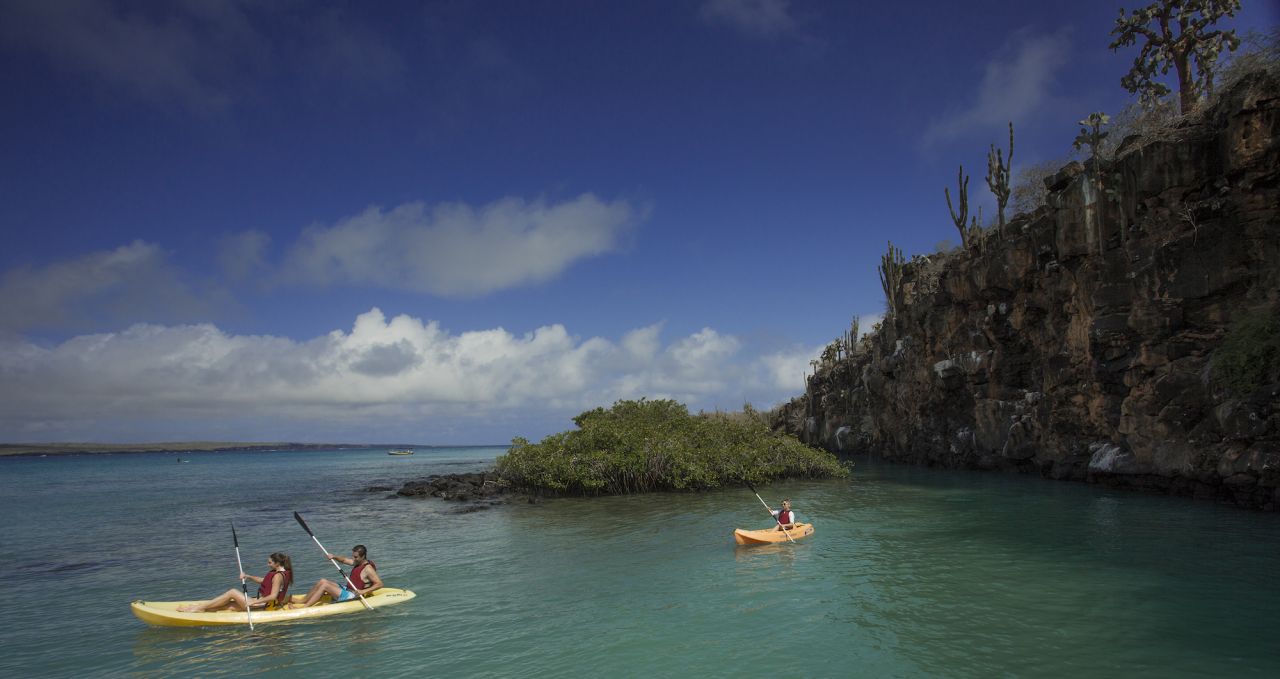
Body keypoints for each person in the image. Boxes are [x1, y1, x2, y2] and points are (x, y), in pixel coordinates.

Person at [178, 552, 293, 612]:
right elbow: (264, 581)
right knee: (230, 606)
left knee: (232, 592)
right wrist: (248, 576)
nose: (267, 564)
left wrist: (253, 603)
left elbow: (273, 596)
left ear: (277, 563)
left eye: (269, 562)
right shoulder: (280, 572)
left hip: (264, 605)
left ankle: (198, 608)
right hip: (261, 603)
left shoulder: (278, 576)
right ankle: (202, 608)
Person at [290, 544, 383, 608]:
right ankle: (302, 601)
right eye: (353, 556)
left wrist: (363, 591)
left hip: (354, 595)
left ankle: (305, 607)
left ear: (363, 556)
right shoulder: (358, 562)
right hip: (348, 589)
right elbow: (344, 560)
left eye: (356, 557)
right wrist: (334, 557)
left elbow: (379, 584)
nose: (353, 559)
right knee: (322, 581)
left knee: (325, 586)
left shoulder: (368, 568)